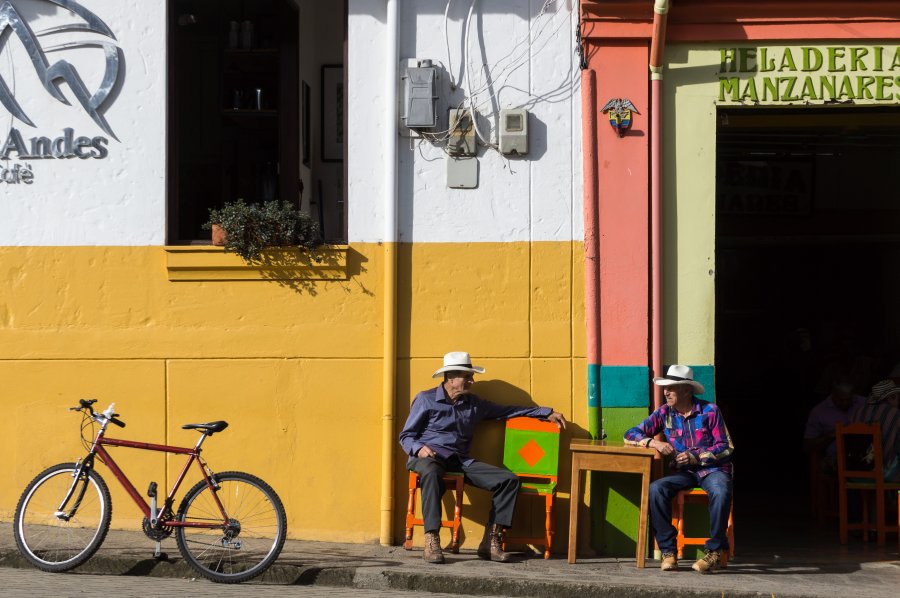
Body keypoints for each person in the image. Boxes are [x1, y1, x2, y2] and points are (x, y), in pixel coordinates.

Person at [399, 351, 566, 564]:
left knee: (508, 480)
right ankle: (432, 538)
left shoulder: (474, 404)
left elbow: (508, 411)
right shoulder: (426, 399)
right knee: (431, 472)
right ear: (450, 377)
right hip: (427, 457)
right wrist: (420, 448)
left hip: (459, 460)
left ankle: (490, 541)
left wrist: (545, 413)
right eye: (466, 376)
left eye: (471, 376)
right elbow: (406, 436)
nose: (471, 381)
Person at [624, 365, 734, 574]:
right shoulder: (664, 413)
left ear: (686, 390)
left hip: (713, 470)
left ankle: (714, 552)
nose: (666, 392)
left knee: (721, 491)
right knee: (656, 489)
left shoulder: (710, 411)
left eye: (671, 388)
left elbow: (726, 447)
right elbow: (630, 434)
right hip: (684, 473)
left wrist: (696, 456)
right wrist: (652, 443)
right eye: (665, 387)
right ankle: (668, 552)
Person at [803, 375, 865, 463]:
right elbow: (807, 447)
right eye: (840, 400)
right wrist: (830, 436)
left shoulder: (865, 404)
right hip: (835, 460)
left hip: (865, 456)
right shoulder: (818, 412)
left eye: (849, 399)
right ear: (833, 393)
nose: (845, 403)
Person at [850, 379, 900, 482]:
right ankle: (895, 498)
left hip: (855, 474)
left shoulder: (858, 412)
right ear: (891, 397)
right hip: (884, 475)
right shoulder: (895, 414)